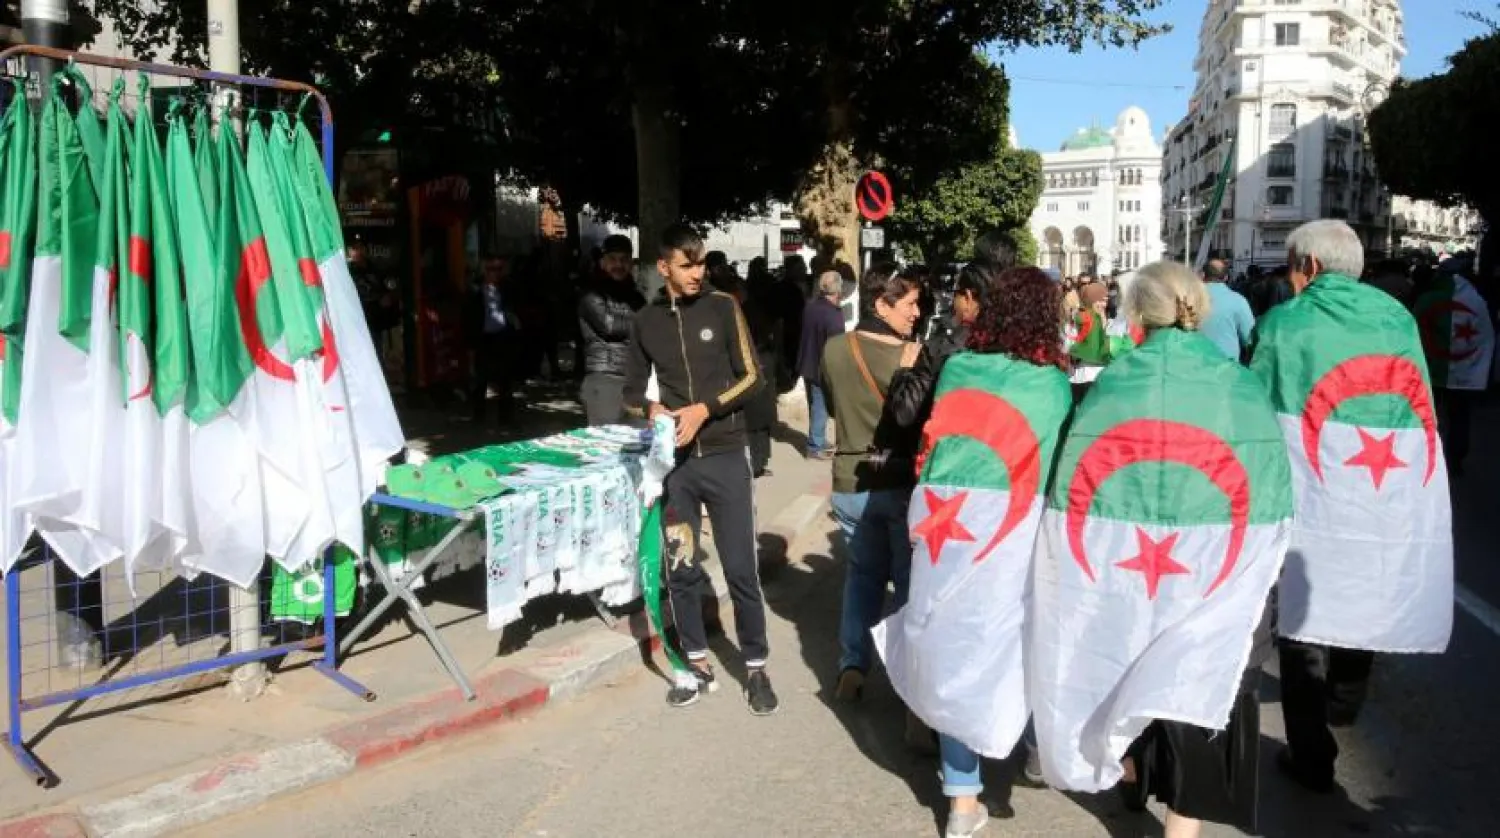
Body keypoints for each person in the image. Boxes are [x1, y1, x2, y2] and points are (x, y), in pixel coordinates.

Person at [1037, 260, 1292, 838]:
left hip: (1132, 565)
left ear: (1136, 315)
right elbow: (1271, 480)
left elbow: (1079, 479)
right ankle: (1182, 822)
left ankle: (1130, 771)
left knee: (1133, 658)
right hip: (1214, 562)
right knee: (1200, 681)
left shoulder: (1114, 382)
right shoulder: (1239, 384)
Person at [1250, 220, 1453, 795]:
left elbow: (1259, 406)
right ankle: (1345, 693)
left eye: (1291, 267)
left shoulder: (1284, 324)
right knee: (1362, 583)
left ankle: (1312, 754)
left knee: (1302, 618)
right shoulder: (1397, 318)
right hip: (1381, 482)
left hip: (1308, 487)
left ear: (1308, 267)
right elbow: (1416, 400)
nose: (1290, 280)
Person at [875, 265, 1073, 838]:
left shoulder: (958, 367)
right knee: (1024, 641)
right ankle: (1035, 750)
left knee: (955, 644)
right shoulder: (1052, 385)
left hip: (943, 523)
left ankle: (962, 801)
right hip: (1014, 527)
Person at [622, 223, 778, 715]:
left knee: (739, 569)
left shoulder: (723, 306)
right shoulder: (645, 320)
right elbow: (629, 390)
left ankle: (755, 666)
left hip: (728, 456)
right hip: (678, 468)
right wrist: (651, 413)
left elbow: (753, 376)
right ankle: (693, 663)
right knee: (683, 568)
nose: (697, 273)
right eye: (686, 265)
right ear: (663, 266)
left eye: (702, 263)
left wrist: (704, 409)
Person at [818, 263, 922, 703]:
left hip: (848, 479)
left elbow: (831, 400)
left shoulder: (835, 348)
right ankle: (907, 681)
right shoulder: (911, 356)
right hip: (897, 480)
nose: (916, 312)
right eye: (910, 303)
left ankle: (852, 664)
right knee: (906, 585)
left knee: (861, 578)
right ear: (882, 304)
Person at [888, 260, 996, 430]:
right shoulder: (1014, 347)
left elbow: (904, 414)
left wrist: (904, 371)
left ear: (967, 297)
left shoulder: (940, 349)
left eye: (956, 294)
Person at [577, 234, 646, 425]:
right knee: (605, 447)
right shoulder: (591, 293)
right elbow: (609, 326)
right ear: (602, 262)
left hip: (635, 379)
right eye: (613, 259)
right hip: (605, 378)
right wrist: (643, 323)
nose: (619, 265)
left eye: (624, 260)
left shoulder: (636, 296)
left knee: (637, 445)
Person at [796, 271, 847, 459]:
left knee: (815, 403)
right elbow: (837, 346)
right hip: (821, 366)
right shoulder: (833, 315)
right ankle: (814, 445)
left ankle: (817, 438)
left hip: (807, 362)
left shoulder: (810, 306)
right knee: (820, 405)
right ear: (839, 289)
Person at [467, 255, 519, 423]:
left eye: (498, 269)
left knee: (504, 379)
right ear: (484, 271)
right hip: (483, 339)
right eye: (490, 269)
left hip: (502, 338)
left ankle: (506, 418)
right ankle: (478, 417)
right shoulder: (475, 290)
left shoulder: (508, 288)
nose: (494, 274)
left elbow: (515, 309)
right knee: (480, 380)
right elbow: (469, 318)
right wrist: (470, 345)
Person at [1199, 258, 1254, 362]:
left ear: (1203, 275)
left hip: (1194, 364)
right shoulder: (1238, 301)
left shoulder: (1189, 299)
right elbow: (1249, 339)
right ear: (1226, 277)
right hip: (1227, 366)